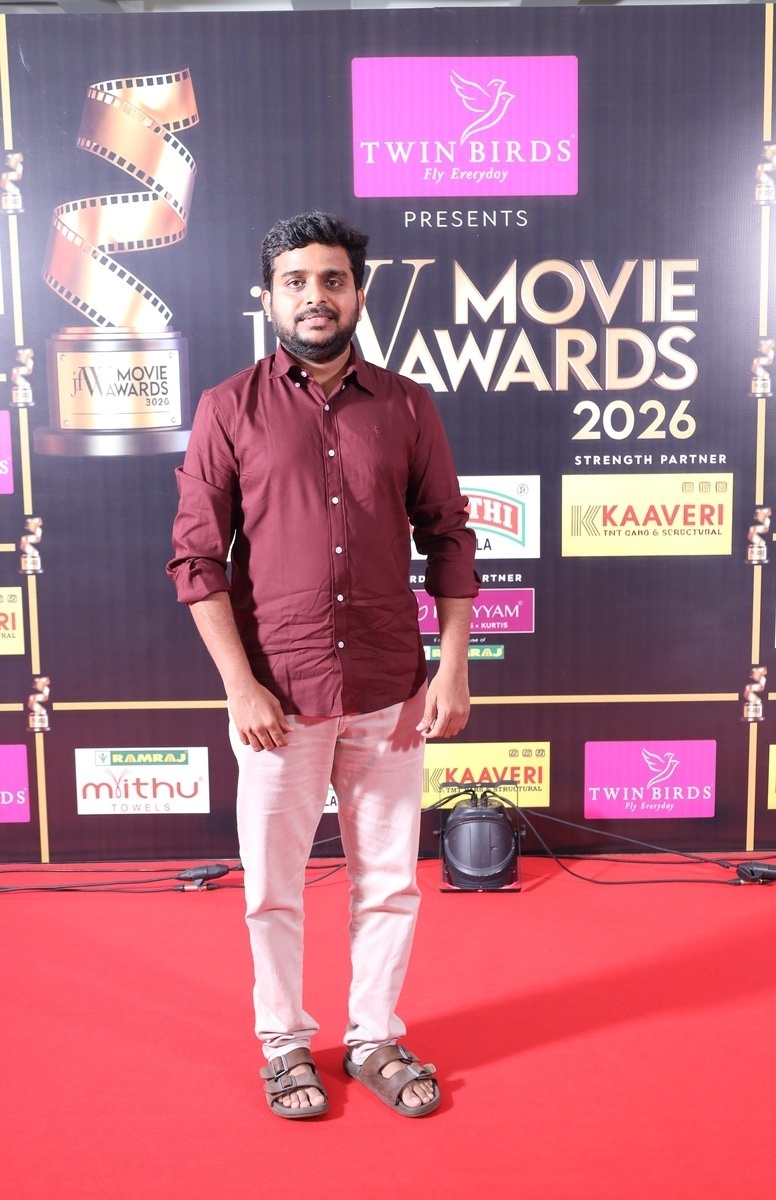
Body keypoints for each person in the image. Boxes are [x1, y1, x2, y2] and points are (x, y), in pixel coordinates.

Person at [168, 211, 479, 1120]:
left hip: (390, 688)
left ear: (359, 294)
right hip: (278, 696)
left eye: (333, 280)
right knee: (273, 891)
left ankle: (375, 1037)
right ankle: (284, 1044)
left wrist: (453, 667)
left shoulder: (408, 405)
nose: (316, 296)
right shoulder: (229, 407)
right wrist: (240, 687)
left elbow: (450, 538)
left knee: (390, 882)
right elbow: (197, 558)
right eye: (296, 281)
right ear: (267, 298)